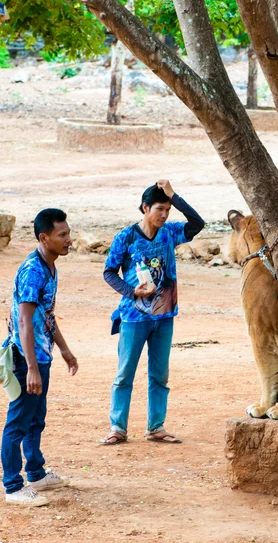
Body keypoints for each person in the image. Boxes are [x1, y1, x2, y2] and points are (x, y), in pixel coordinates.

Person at [100, 180, 204, 445]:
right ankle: (117, 427)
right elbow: (109, 272)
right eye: (160, 209)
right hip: (134, 318)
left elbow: (197, 223)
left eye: (168, 209)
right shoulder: (126, 237)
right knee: (125, 374)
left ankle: (156, 427)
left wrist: (174, 196)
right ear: (145, 208)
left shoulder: (169, 233)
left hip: (165, 316)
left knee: (160, 375)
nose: (165, 215)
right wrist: (133, 292)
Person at [1, 209, 79, 507]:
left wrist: (64, 348)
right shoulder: (34, 270)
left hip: (40, 355)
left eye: (68, 233)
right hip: (25, 358)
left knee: (36, 419)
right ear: (44, 238)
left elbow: (45, 315)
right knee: (18, 421)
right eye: (62, 235)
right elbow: (23, 322)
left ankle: (35, 472)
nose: (69, 240)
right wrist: (31, 367)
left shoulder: (50, 266)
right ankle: (13, 485)